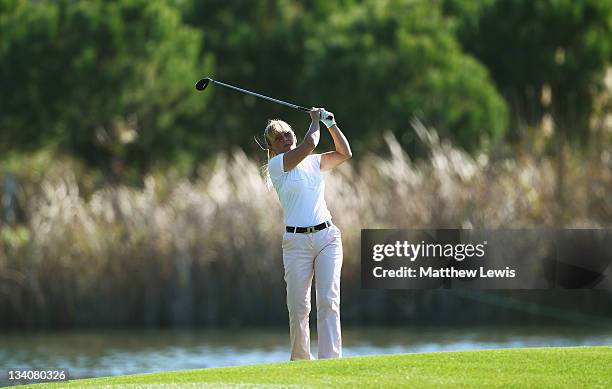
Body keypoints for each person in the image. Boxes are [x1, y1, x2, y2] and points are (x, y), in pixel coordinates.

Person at [263, 108, 352, 360]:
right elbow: (310, 142)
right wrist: (315, 121)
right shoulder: (277, 166)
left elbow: (345, 153)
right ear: (272, 147)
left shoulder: (313, 162)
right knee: (299, 307)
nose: (285, 139)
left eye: (288, 134)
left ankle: (331, 359)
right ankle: (300, 360)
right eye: (278, 138)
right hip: (296, 243)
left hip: (327, 238)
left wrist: (331, 123)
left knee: (328, 301)